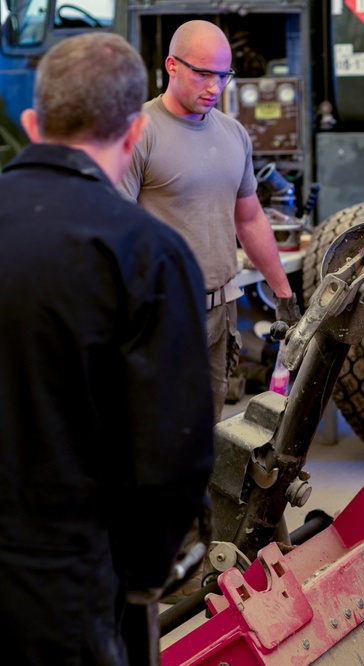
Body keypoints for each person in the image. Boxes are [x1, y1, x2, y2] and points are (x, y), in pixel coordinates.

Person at [0, 33, 215, 664]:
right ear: (133, 135)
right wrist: (141, 578)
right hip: (59, 591)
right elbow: (172, 455)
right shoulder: (147, 256)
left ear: (30, 122)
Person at [120, 19, 300, 422]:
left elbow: (250, 218)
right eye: (202, 74)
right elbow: (113, 230)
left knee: (205, 432)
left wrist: (283, 294)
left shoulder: (234, 134)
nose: (214, 88)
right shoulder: (139, 133)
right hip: (163, 314)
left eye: (224, 76)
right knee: (158, 435)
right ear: (172, 65)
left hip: (221, 312)